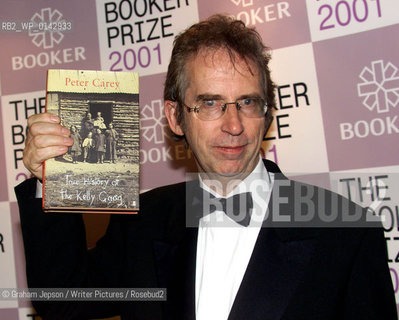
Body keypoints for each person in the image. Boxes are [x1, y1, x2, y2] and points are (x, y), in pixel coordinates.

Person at [16, 15, 396, 320]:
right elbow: (62, 299)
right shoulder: (143, 223)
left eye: (247, 102)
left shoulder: (345, 233)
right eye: (210, 104)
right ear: (176, 117)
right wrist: (48, 176)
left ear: (267, 113)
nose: (233, 126)